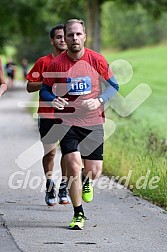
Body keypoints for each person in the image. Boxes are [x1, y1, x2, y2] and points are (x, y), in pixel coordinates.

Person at [40, 19, 119, 230]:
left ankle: (87, 180)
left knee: (94, 170)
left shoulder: (97, 59)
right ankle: (78, 213)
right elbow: (45, 89)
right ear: (64, 38)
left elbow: (114, 86)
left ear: (84, 36)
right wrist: (52, 99)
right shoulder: (56, 64)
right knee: (73, 165)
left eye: (78, 34)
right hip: (67, 121)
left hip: (93, 122)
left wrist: (99, 100)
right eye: (70, 35)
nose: (74, 38)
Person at [26, 24, 71, 206]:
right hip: (48, 114)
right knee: (51, 153)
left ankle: (63, 187)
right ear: (52, 40)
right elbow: (30, 86)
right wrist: (47, 82)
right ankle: (49, 183)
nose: (62, 40)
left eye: (64, 37)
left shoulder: (74, 62)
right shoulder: (43, 62)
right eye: (58, 37)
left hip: (70, 115)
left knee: (69, 154)